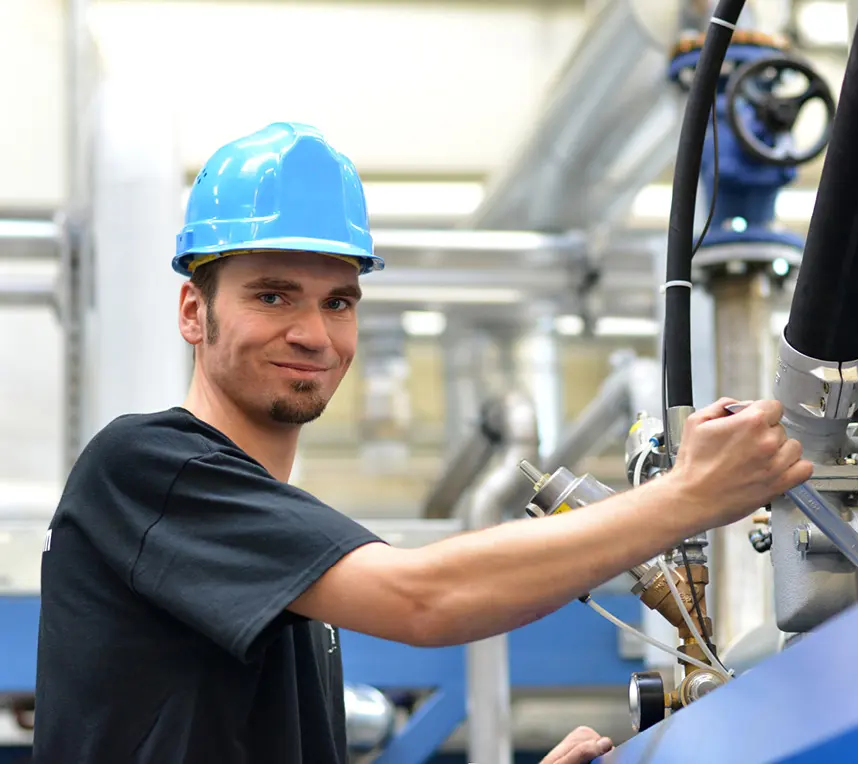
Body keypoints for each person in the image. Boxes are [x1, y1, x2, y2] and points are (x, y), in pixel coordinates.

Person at [32, 122, 812, 764]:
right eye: (272, 295)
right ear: (193, 313)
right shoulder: (145, 468)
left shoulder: (284, 577)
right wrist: (687, 498)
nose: (313, 333)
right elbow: (425, 600)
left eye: (338, 302)